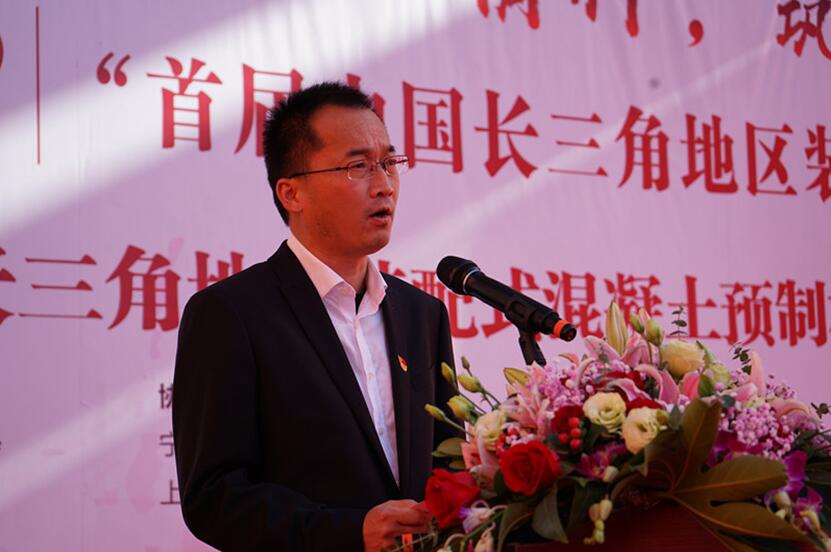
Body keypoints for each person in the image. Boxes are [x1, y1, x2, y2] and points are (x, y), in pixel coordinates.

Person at [172, 81, 458, 551]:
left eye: (389, 163)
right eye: (358, 166)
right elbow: (214, 496)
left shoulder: (421, 314)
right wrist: (349, 533)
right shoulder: (231, 313)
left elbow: (449, 465)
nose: (384, 185)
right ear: (291, 193)